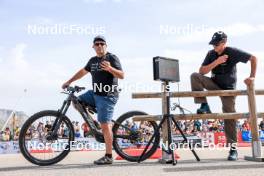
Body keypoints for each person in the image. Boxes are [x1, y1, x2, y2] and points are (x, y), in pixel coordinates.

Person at [190, 31, 257, 161]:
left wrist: (252, 76)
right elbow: (201, 71)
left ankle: (233, 149)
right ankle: (204, 105)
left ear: (224, 43)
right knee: (194, 76)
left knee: (229, 116)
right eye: (213, 44)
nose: (214, 47)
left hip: (228, 89)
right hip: (214, 84)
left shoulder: (232, 51)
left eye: (216, 44)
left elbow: (253, 58)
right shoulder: (211, 54)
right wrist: (217, 61)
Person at [62, 35, 124, 165]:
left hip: (108, 95)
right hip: (95, 94)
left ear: (106, 46)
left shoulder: (112, 58)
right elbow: (82, 72)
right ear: (93, 47)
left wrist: (110, 69)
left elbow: (122, 75)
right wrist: (69, 81)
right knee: (76, 101)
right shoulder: (92, 61)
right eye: (97, 44)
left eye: (102, 43)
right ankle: (95, 124)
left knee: (105, 126)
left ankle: (108, 156)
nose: (100, 46)